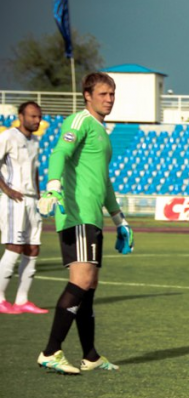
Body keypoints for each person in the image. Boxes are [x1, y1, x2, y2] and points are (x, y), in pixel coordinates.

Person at [36, 72, 134, 375]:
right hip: (76, 213)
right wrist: (52, 186)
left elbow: (104, 182)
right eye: (103, 94)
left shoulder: (103, 133)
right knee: (80, 281)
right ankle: (51, 351)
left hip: (93, 216)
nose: (109, 99)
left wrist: (119, 220)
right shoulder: (79, 122)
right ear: (87, 95)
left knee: (89, 285)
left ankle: (90, 356)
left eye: (112, 94)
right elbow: (60, 152)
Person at [0, 101, 48, 314]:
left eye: (39, 117)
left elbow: (35, 172)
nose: (37, 120)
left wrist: (39, 198)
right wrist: (8, 190)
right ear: (21, 116)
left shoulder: (35, 141)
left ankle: (22, 300)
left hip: (31, 201)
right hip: (14, 200)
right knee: (14, 246)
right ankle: (0, 298)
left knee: (33, 248)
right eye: (32, 116)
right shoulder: (8, 136)